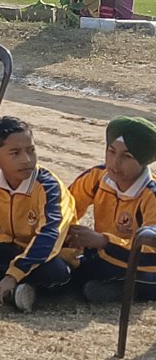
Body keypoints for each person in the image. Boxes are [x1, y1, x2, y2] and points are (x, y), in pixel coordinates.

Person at [0, 116, 74, 312]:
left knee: (56, 273)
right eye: (15, 153)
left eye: (31, 150)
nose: (27, 160)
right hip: (10, 250)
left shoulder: (49, 188)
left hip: (49, 256)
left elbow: (49, 237)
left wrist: (12, 276)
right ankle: (14, 289)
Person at [67, 115, 156, 303]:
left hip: (144, 265)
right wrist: (70, 235)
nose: (114, 162)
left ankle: (125, 290)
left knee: (144, 277)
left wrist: (104, 242)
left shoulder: (151, 195)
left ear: (143, 161)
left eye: (127, 156)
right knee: (67, 262)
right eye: (111, 151)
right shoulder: (97, 177)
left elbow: (151, 253)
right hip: (103, 254)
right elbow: (66, 207)